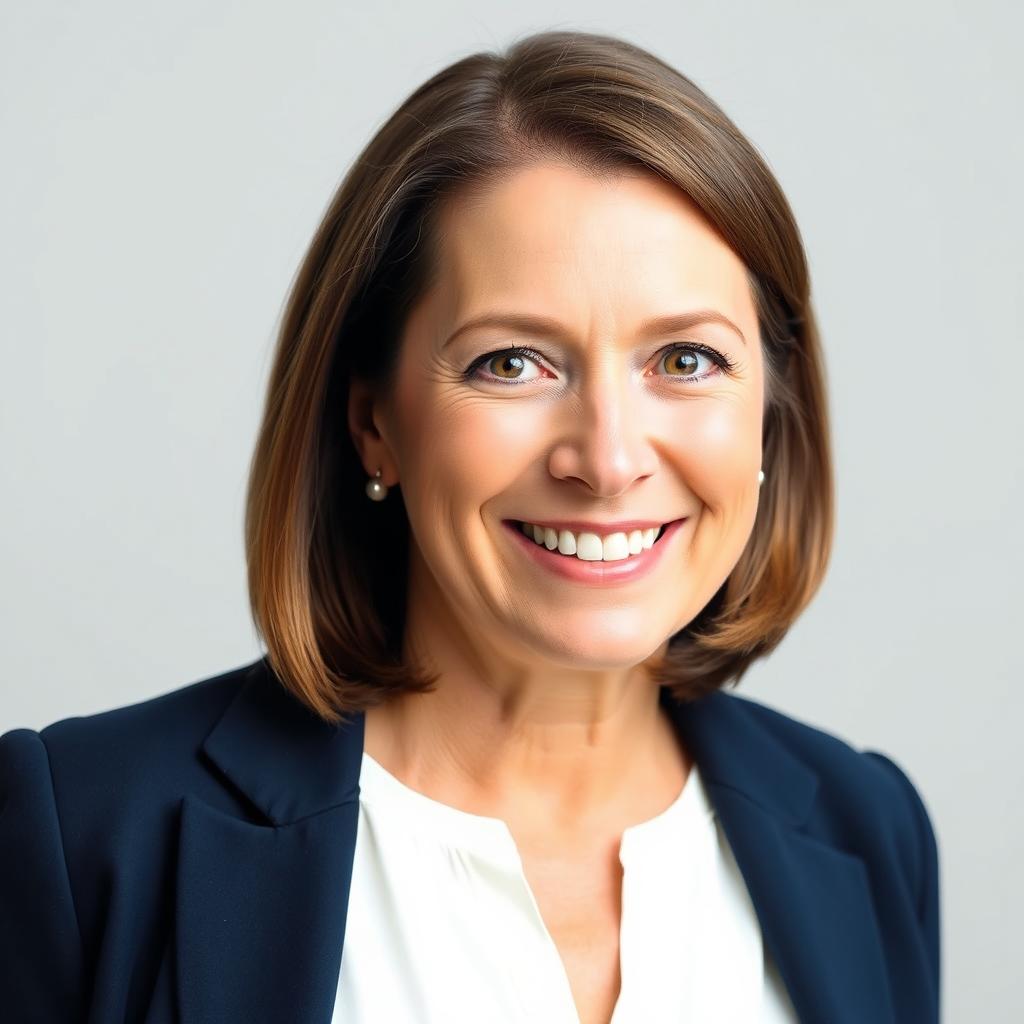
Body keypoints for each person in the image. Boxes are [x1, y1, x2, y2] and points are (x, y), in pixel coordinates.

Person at [0, 28, 940, 1024]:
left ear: (768, 411)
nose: (609, 457)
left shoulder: (867, 830)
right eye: (512, 363)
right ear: (374, 422)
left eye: (686, 359)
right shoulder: (85, 831)